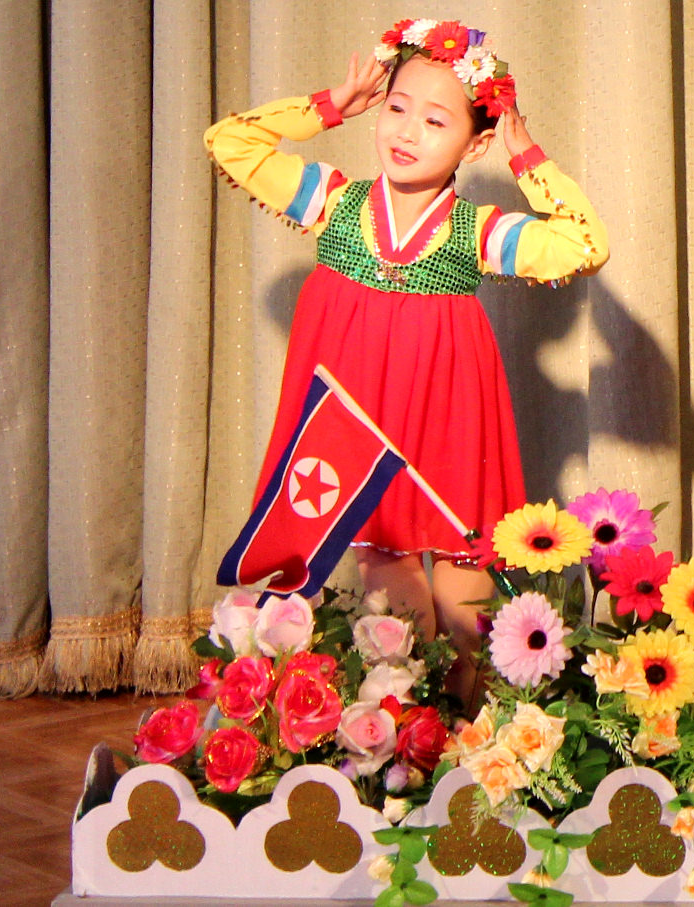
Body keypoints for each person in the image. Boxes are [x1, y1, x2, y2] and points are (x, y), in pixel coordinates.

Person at [205, 17, 608, 703]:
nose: (406, 132)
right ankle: (410, 722)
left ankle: (472, 720)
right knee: (388, 571)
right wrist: (333, 103)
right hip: (362, 415)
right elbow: (230, 141)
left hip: (449, 408)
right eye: (396, 108)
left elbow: (582, 243)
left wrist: (526, 157)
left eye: (434, 120)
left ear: (474, 142)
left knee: (462, 570)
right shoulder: (337, 204)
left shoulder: (476, 229)